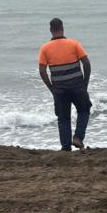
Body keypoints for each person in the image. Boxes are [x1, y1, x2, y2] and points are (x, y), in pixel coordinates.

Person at [38, 17, 92, 151]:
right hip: (77, 86)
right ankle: (78, 137)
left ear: (50, 30)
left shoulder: (45, 48)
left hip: (59, 89)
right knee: (84, 110)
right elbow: (86, 62)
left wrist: (51, 87)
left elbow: (42, 70)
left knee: (63, 118)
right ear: (62, 28)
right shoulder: (74, 44)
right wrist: (85, 82)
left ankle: (66, 146)